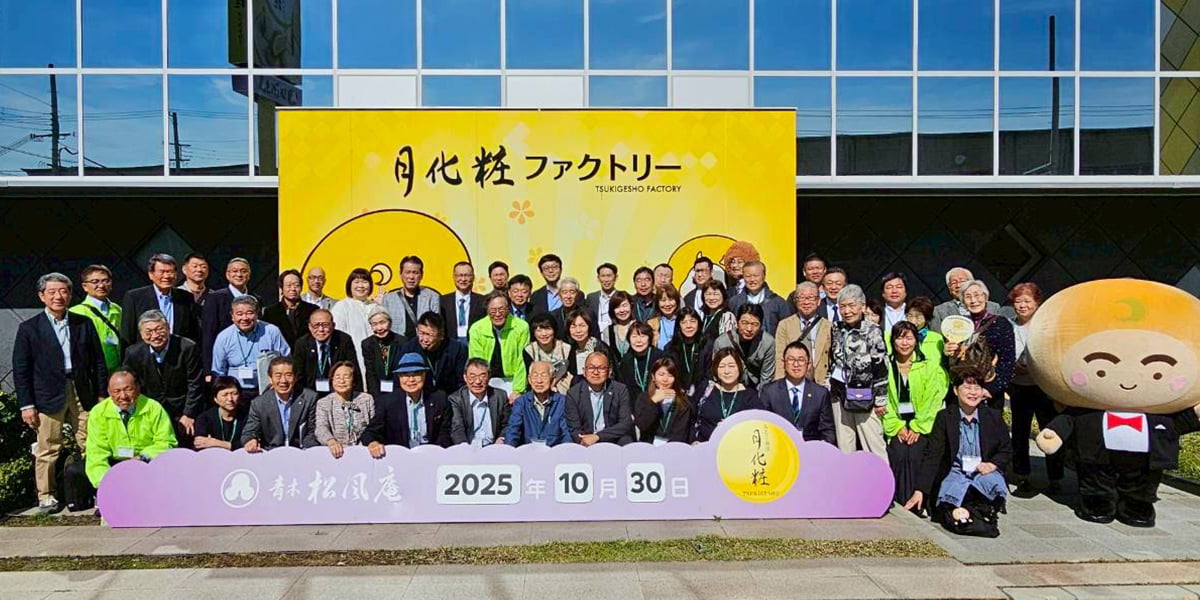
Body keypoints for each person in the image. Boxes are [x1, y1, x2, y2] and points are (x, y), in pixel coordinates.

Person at [13, 272, 108, 514]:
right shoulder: (29, 328)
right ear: (41, 296)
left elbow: (98, 361)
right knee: (48, 447)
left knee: (92, 443)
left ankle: (100, 492)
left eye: (63, 291)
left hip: (82, 390)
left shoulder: (82, 322)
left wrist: (101, 394)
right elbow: (21, 369)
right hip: (47, 394)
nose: (58, 296)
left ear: (70, 294)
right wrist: (26, 405)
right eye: (52, 292)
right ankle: (46, 496)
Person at [905, 365, 1011, 538]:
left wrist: (992, 465)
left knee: (986, 489)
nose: (973, 392)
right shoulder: (945, 417)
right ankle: (973, 515)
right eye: (967, 387)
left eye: (977, 387)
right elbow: (933, 455)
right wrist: (920, 490)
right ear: (955, 390)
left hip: (983, 473)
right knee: (950, 504)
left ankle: (974, 515)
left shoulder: (993, 416)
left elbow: (1006, 450)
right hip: (955, 473)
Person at [884, 321, 950, 511]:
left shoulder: (928, 366)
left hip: (921, 424)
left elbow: (934, 398)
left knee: (916, 452)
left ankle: (915, 503)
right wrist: (896, 425)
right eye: (899, 338)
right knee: (897, 452)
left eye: (909, 338)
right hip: (896, 424)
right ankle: (896, 500)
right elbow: (882, 399)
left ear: (916, 341)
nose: (904, 343)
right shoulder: (885, 366)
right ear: (892, 341)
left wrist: (918, 426)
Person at [1007, 282, 1063, 493]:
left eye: (1027, 301)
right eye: (1018, 301)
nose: (1022, 305)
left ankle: (1056, 477)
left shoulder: (1046, 326)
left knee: (1049, 431)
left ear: (1037, 303)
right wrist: (1014, 366)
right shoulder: (1009, 326)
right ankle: (1022, 476)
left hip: (1043, 387)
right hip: (1018, 386)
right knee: (1019, 433)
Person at [84, 369, 176, 488]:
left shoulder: (154, 408)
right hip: (114, 463)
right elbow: (96, 453)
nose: (123, 396)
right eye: (117, 391)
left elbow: (166, 442)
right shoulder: (98, 412)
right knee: (76, 470)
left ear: (138, 388)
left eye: (128, 389)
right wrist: (106, 484)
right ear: (109, 392)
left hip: (145, 461)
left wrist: (143, 457)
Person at [123, 310, 205, 445]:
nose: (155, 335)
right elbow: (131, 384)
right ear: (141, 334)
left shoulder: (187, 347)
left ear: (168, 328)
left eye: (159, 329)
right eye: (149, 332)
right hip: (150, 409)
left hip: (181, 409)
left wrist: (188, 414)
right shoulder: (133, 353)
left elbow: (195, 383)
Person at [828, 284, 889, 460]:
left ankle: (882, 477)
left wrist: (880, 400)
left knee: (873, 444)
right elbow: (833, 358)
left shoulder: (872, 330)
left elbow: (880, 366)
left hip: (865, 395)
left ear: (862, 307)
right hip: (839, 393)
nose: (847, 311)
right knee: (844, 445)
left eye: (851, 305)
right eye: (842, 307)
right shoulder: (836, 327)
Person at [943, 280, 1016, 409]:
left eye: (977, 295)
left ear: (985, 297)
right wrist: (947, 352)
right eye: (968, 297)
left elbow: (1007, 361)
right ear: (963, 301)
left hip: (988, 392)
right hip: (961, 391)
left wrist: (990, 390)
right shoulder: (958, 324)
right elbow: (952, 362)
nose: (973, 300)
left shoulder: (1000, 323)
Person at [362, 352, 453, 453]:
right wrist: (373, 443)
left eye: (416, 374)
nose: (411, 380)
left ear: (424, 375)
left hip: (430, 455)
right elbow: (370, 432)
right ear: (399, 377)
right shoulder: (387, 402)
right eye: (405, 375)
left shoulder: (439, 399)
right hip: (399, 456)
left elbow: (445, 433)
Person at [210, 296, 291, 398]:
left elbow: (286, 361)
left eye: (249, 313)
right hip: (236, 394)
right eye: (239, 314)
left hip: (268, 390)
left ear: (257, 314)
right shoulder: (223, 337)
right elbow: (219, 371)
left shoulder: (272, 332)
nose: (245, 318)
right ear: (232, 316)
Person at [759, 341, 836, 445]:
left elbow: (827, 430)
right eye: (791, 359)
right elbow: (763, 427)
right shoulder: (769, 392)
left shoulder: (820, 393)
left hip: (810, 449)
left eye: (801, 360)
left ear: (808, 365)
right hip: (780, 447)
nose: (796, 364)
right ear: (783, 363)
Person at [241, 357, 320, 451]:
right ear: (270, 378)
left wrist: (304, 450)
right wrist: (251, 440)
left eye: (288, 375)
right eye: (278, 376)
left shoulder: (309, 398)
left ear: (295, 378)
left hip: (300, 451)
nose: (283, 380)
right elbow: (249, 432)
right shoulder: (259, 403)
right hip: (272, 452)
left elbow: (313, 431)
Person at [120, 253, 199, 347]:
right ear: (151, 274)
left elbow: (193, 332)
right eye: (162, 272)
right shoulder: (134, 297)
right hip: (146, 353)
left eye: (170, 272)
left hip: (178, 352)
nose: (166, 276)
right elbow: (127, 334)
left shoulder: (186, 297)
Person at [467, 290, 531, 397]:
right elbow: (477, 362)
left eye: (501, 310)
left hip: (512, 380)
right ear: (487, 311)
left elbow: (522, 361)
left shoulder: (521, 327)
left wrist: (518, 390)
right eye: (493, 311)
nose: (497, 314)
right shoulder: (477, 329)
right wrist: (481, 387)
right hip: (487, 380)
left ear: (508, 309)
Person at [564, 352, 635, 446]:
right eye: (591, 368)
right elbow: (574, 428)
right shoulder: (573, 394)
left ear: (609, 372)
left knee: (626, 440)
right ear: (584, 372)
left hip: (613, 438)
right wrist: (584, 440)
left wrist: (598, 436)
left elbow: (625, 423)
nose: (596, 372)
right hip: (587, 441)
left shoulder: (620, 390)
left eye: (601, 368)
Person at [694, 348, 761, 443]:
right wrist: (693, 440)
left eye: (731, 366)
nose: (726, 371)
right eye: (721, 366)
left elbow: (757, 426)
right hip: (705, 446)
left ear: (739, 367)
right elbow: (691, 417)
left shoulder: (750, 396)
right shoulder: (706, 390)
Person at [773, 282, 832, 386]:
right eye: (802, 298)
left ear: (818, 301)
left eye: (811, 298)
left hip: (821, 383)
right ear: (795, 301)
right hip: (792, 381)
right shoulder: (784, 325)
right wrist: (780, 385)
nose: (806, 302)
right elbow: (779, 358)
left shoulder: (829, 326)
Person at [200, 258, 254, 372]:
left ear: (249, 275)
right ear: (227, 275)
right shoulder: (214, 298)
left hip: (252, 361)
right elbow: (208, 335)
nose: (239, 274)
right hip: (224, 361)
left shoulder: (256, 299)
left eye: (243, 271)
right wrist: (208, 370)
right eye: (235, 271)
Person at [293, 308, 363, 394]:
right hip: (311, 391)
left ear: (333, 325)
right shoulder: (302, 343)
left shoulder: (343, 340)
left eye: (325, 325)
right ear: (310, 327)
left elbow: (353, 369)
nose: (321, 329)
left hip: (338, 390)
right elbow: (298, 374)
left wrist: (357, 395)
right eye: (316, 325)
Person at [314, 361, 374, 458]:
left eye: (346, 377)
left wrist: (371, 442)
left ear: (354, 380)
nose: (341, 381)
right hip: (336, 453)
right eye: (337, 377)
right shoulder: (324, 403)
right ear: (332, 380)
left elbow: (374, 426)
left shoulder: (366, 399)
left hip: (363, 452)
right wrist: (331, 441)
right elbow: (321, 428)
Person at [69, 264, 123, 372]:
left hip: (119, 368)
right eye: (95, 282)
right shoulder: (75, 312)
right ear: (85, 286)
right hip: (94, 370)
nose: (101, 285)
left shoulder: (117, 309)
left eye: (105, 281)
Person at [505, 361, 571, 446]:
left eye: (544, 376)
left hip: (554, 452)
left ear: (553, 379)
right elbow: (512, 432)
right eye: (535, 376)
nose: (539, 381)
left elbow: (567, 435)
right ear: (529, 379)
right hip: (528, 451)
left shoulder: (562, 402)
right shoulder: (521, 402)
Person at [401, 311, 468, 396]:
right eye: (421, 333)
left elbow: (461, 382)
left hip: (449, 396)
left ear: (441, 335)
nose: (425, 339)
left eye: (430, 335)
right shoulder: (409, 348)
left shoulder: (457, 349)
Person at [711, 304, 776, 390]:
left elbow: (767, 377)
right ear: (737, 323)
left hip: (757, 387)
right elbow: (717, 373)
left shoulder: (768, 342)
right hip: (730, 386)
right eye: (744, 323)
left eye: (755, 324)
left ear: (760, 325)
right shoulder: (722, 342)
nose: (749, 329)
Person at [449, 358, 512, 446]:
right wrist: (464, 447)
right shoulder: (456, 399)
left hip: (494, 446)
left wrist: (501, 439)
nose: (478, 381)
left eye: (482, 376)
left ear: (489, 377)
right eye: (472, 376)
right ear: (465, 377)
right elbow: (457, 428)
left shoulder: (500, 396)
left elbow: (508, 424)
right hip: (468, 446)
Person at [634, 356, 694, 444]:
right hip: (648, 446)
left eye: (670, 375)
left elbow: (681, 434)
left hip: (673, 448)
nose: (665, 379)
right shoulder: (644, 397)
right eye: (661, 375)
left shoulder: (683, 402)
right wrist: (653, 401)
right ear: (653, 376)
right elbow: (643, 425)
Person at [379, 256, 440, 339]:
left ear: (421, 275)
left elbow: (436, 326)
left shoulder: (432, 297)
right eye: (407, 272)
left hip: (423, 343)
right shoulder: (389, 299)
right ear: (401, 274)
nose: (411, 277)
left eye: (415, 273)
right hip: (397, 344)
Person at [728, 260, 792, 336]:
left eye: (756, 276)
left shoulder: (778, 303)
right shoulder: (734, 302)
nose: (752, 280)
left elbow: (787, 331)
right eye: (748, 276)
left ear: (764, 276)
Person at [331, 268, 376, 375]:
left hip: (374, 359)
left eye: (364, 282)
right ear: (349, 285)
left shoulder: (375, 307)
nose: (360, 286)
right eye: (356, 282)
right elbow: (338, 337)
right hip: (352, 359)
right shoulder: (342, 306)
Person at [931, 267, 1005, 331]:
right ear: (949, 288)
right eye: (953, 283)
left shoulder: (993, 307)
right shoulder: (939, 311)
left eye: (962, 281)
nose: (958, 285)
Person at [261, 269, 317, 348]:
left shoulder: (313, 310)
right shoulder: (270, 312)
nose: (293, 289)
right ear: (281, 288)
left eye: (296, 285)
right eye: (289, 285)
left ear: (301, 288)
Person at [665, 307, 712, 396]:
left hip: (702, 394)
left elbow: (709, 375)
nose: (688, 326)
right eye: (684, 322)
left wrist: (696, 395)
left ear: (699, 324)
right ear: (679, 326)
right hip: (677, 394)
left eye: (693, 321)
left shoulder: (707, 345)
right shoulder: (670, 348)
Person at [192, 376, 247, 451]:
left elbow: (250, 443)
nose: (230, 399)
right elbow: (199, 444)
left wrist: (218, 443)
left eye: (234, 394)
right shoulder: (204, 419)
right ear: (215, 398)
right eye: (225, 395)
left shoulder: (247, 416)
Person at [362, 306, 405, 398]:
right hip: (378, 391)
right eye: (374, 324)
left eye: (382, 322)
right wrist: (375, 396)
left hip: (399, 390)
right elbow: (370, 373)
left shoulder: (402, 342)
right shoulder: (367, 344)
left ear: (390, 323)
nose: (379, 328)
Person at [523, 313, 572, 394]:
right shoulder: (529, 350)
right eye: (539, 330)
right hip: (539, 388)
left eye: (548, 329)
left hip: (563, 388)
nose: (544, 334)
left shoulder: (566, 348)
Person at [562, 308, 611, 388]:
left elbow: (611, 375)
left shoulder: (600, 347)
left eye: (582, 326)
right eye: (573, 326)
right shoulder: (572, 349)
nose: (578, 330)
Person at [439, 261, 486, 346]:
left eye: (467, 275)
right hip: (450, 344)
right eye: (459, 275)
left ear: (473, 277)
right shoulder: (442, 301)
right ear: (454, 277)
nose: (463, 279)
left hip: (475, 343)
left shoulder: (483, 301)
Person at [617, 321, 666, 397]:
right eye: (634, 336)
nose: (638, 340)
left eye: (643, 336)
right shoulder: (626, 361)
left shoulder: (660, 357)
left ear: (649, 338)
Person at [600, 290, 636, 361]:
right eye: (617, 307)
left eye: (624, 305)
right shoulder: (607, 331)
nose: (622, 310)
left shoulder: (639, 327)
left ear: (631, 306)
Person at [586, 263, 620, 331]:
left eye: (609, 276)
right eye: (603, 276)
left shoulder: (621, 297)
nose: (606, 280)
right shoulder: (591, 298)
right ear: (598, 278)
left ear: (616, 277)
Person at [648, 285, 683, 349]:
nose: (667, 304)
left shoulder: (683, 321)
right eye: (663, 300)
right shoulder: (652, 324)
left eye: (671, 300)